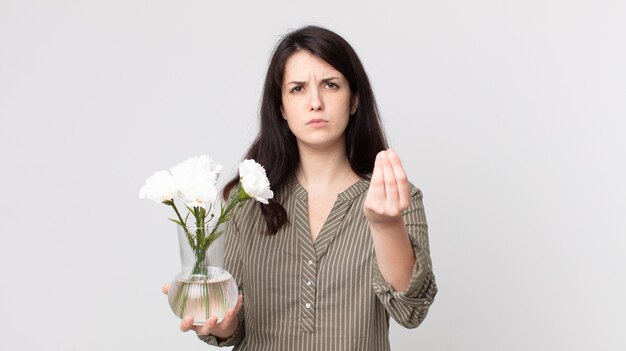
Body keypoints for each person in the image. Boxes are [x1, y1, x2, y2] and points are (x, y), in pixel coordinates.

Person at [163, 25, 437, 350]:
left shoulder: (395, 197)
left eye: (330, 85)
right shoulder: (246, 200)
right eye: (297, 89)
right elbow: (233, 326)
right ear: (281, 107)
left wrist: (386, 224)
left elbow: (411, 311)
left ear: (354, 100)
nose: (315, 102)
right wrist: (223, 322)